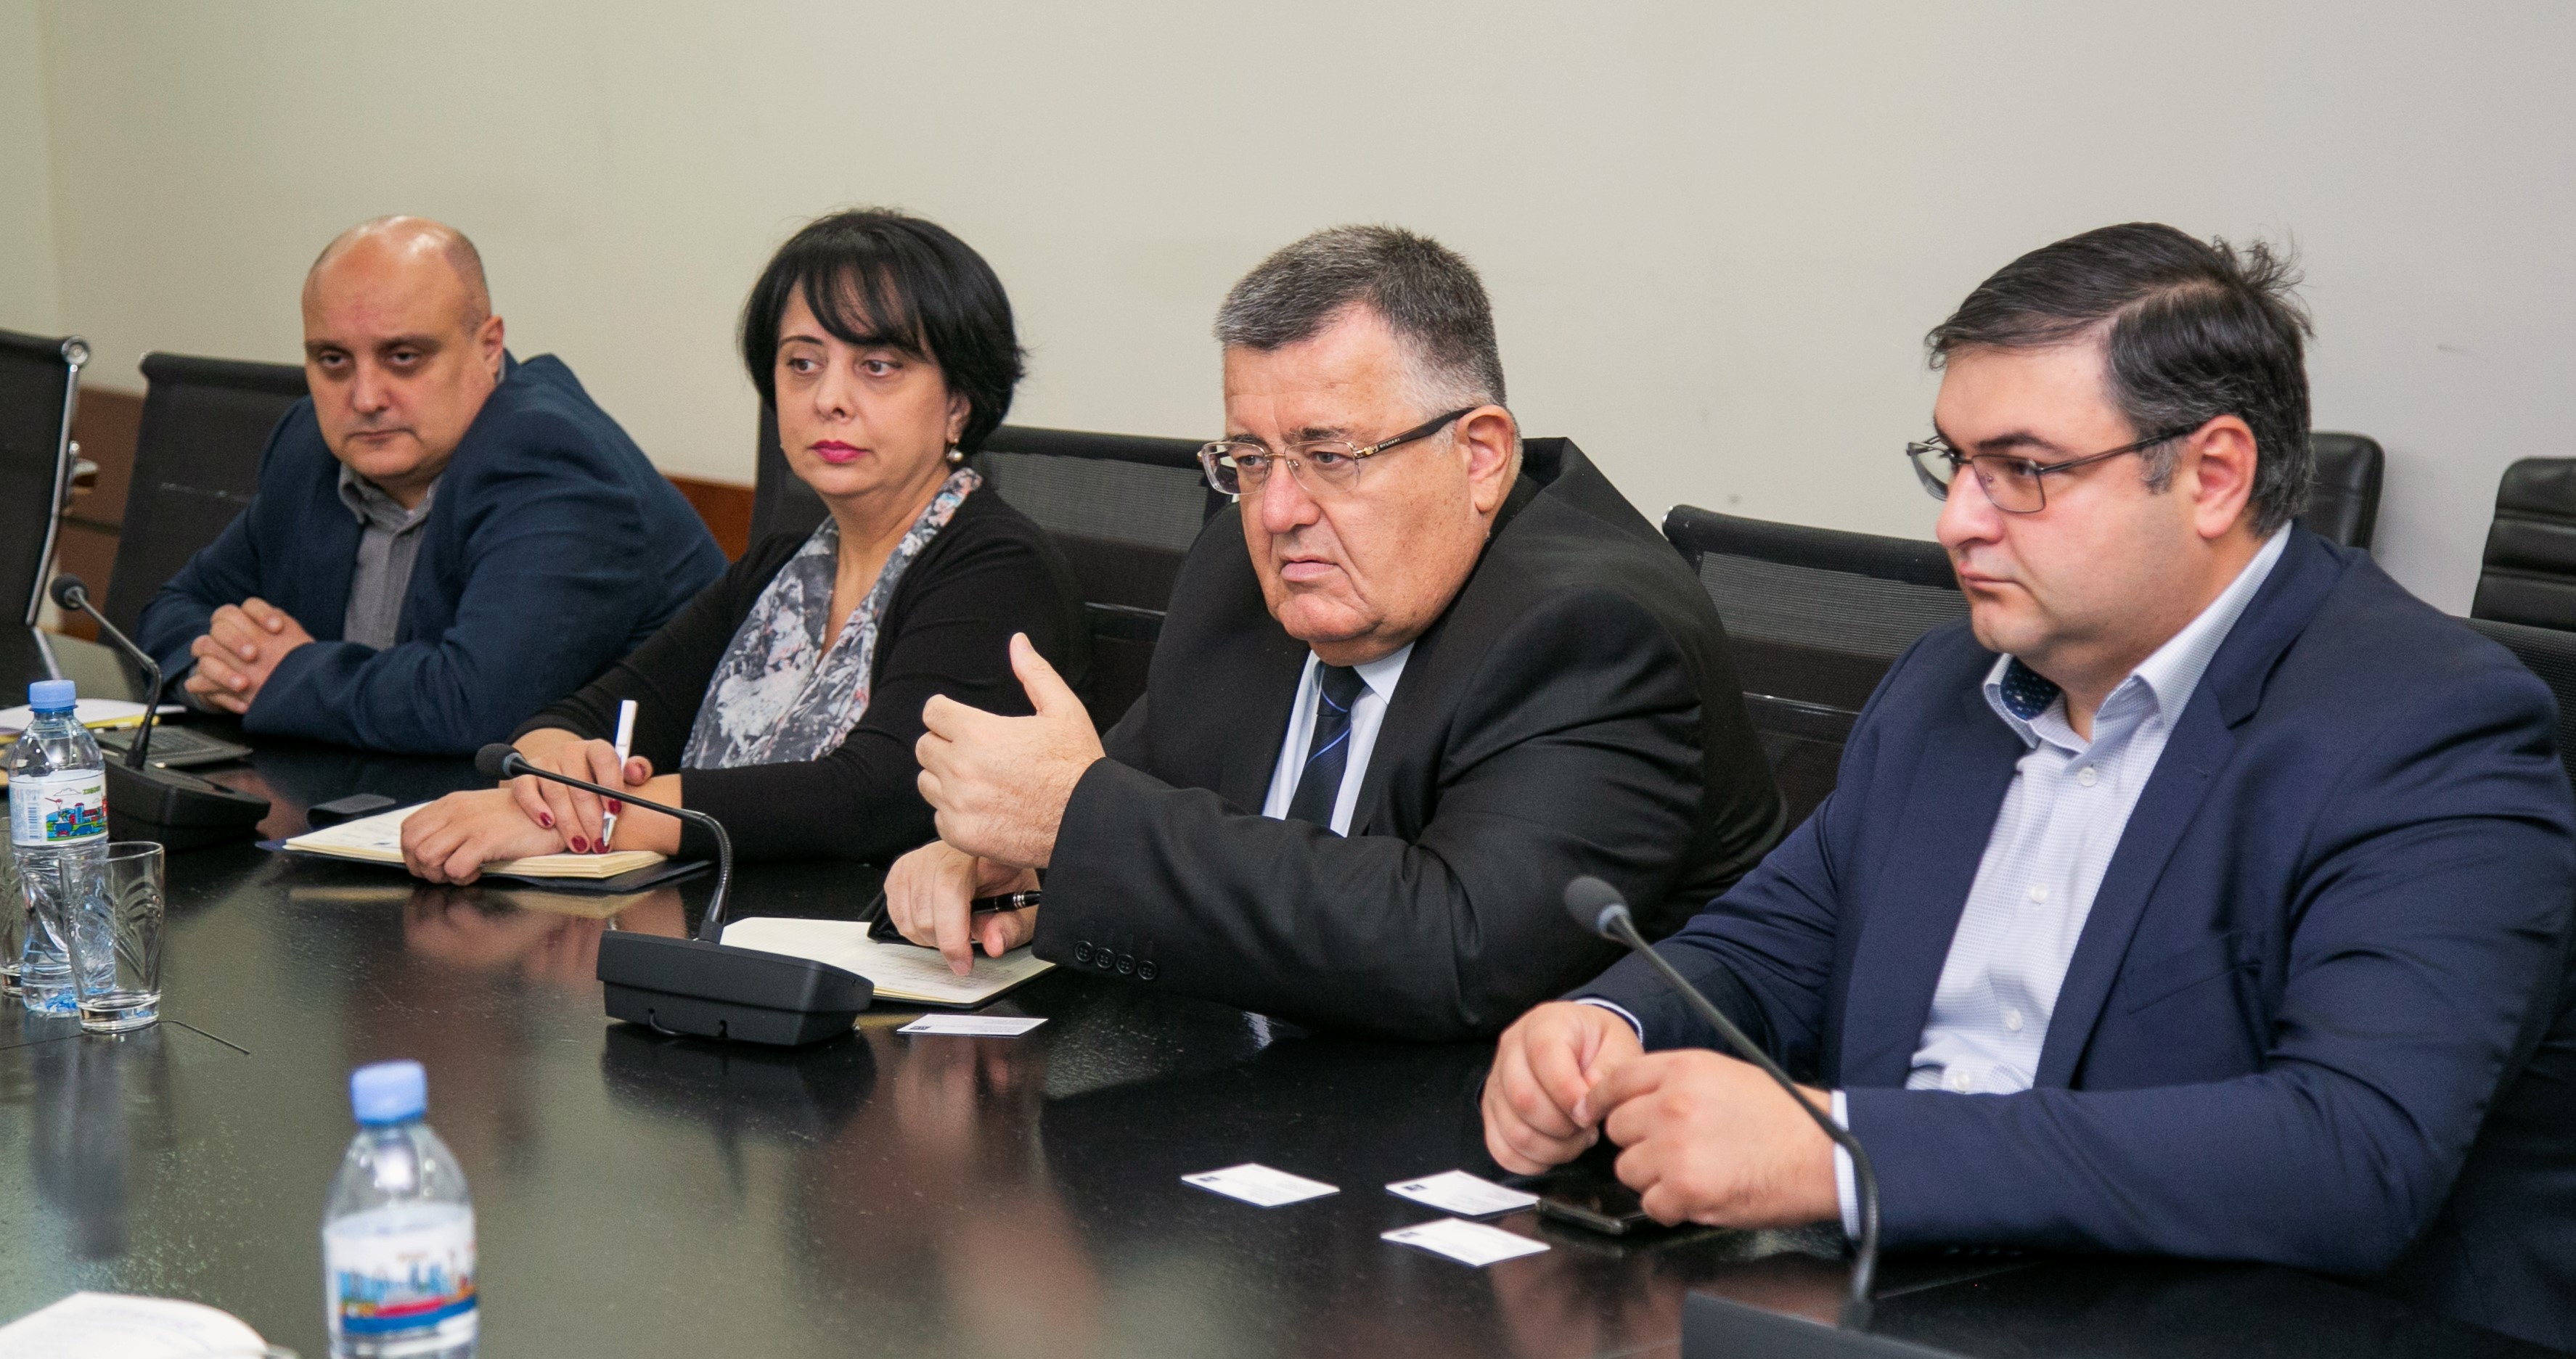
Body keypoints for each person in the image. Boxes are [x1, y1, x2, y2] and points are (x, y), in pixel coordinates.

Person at [1479, 223, 2576, 1348]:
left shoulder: (2427, 731)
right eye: (1954, 463)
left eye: (2023, 472)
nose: (1957, 519)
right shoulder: (1946, 682)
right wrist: (1606, 1022)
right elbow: (1775, 947)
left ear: (2212, 476)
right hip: (1908, 1308)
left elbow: (2349, 1154)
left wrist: (1844, 1156)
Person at [882, 225, 1783, 1040]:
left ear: (1480, 456)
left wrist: (1079, 823)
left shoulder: (1591, 631)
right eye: (1250, 457)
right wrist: (1023, 869)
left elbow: (1457, 949)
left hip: (1520, 1135)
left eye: (1329, 456)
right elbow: (1148, 806)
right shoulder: (1243, 576)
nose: (1277, 511)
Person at [398, 210, 1084, 880]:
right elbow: (584, 714)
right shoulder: (778, 567)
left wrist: (597, 819)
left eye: (878, 366)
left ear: (959, 402)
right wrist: (550, 773)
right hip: (706, 921)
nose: (829, 398)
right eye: (802, 363)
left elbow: (869, 797)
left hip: (866, 942)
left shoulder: (999, 568)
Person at [135, 215, 724, 754]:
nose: (365, 398)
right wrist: (223, 672)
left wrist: (283, 677)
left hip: (623, 819)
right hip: (369, 799)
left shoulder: (554, 462)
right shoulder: (310, 446)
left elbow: (477, 707)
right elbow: (172, 609)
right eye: (333, 360)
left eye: (403, 356)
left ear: (488, 347)